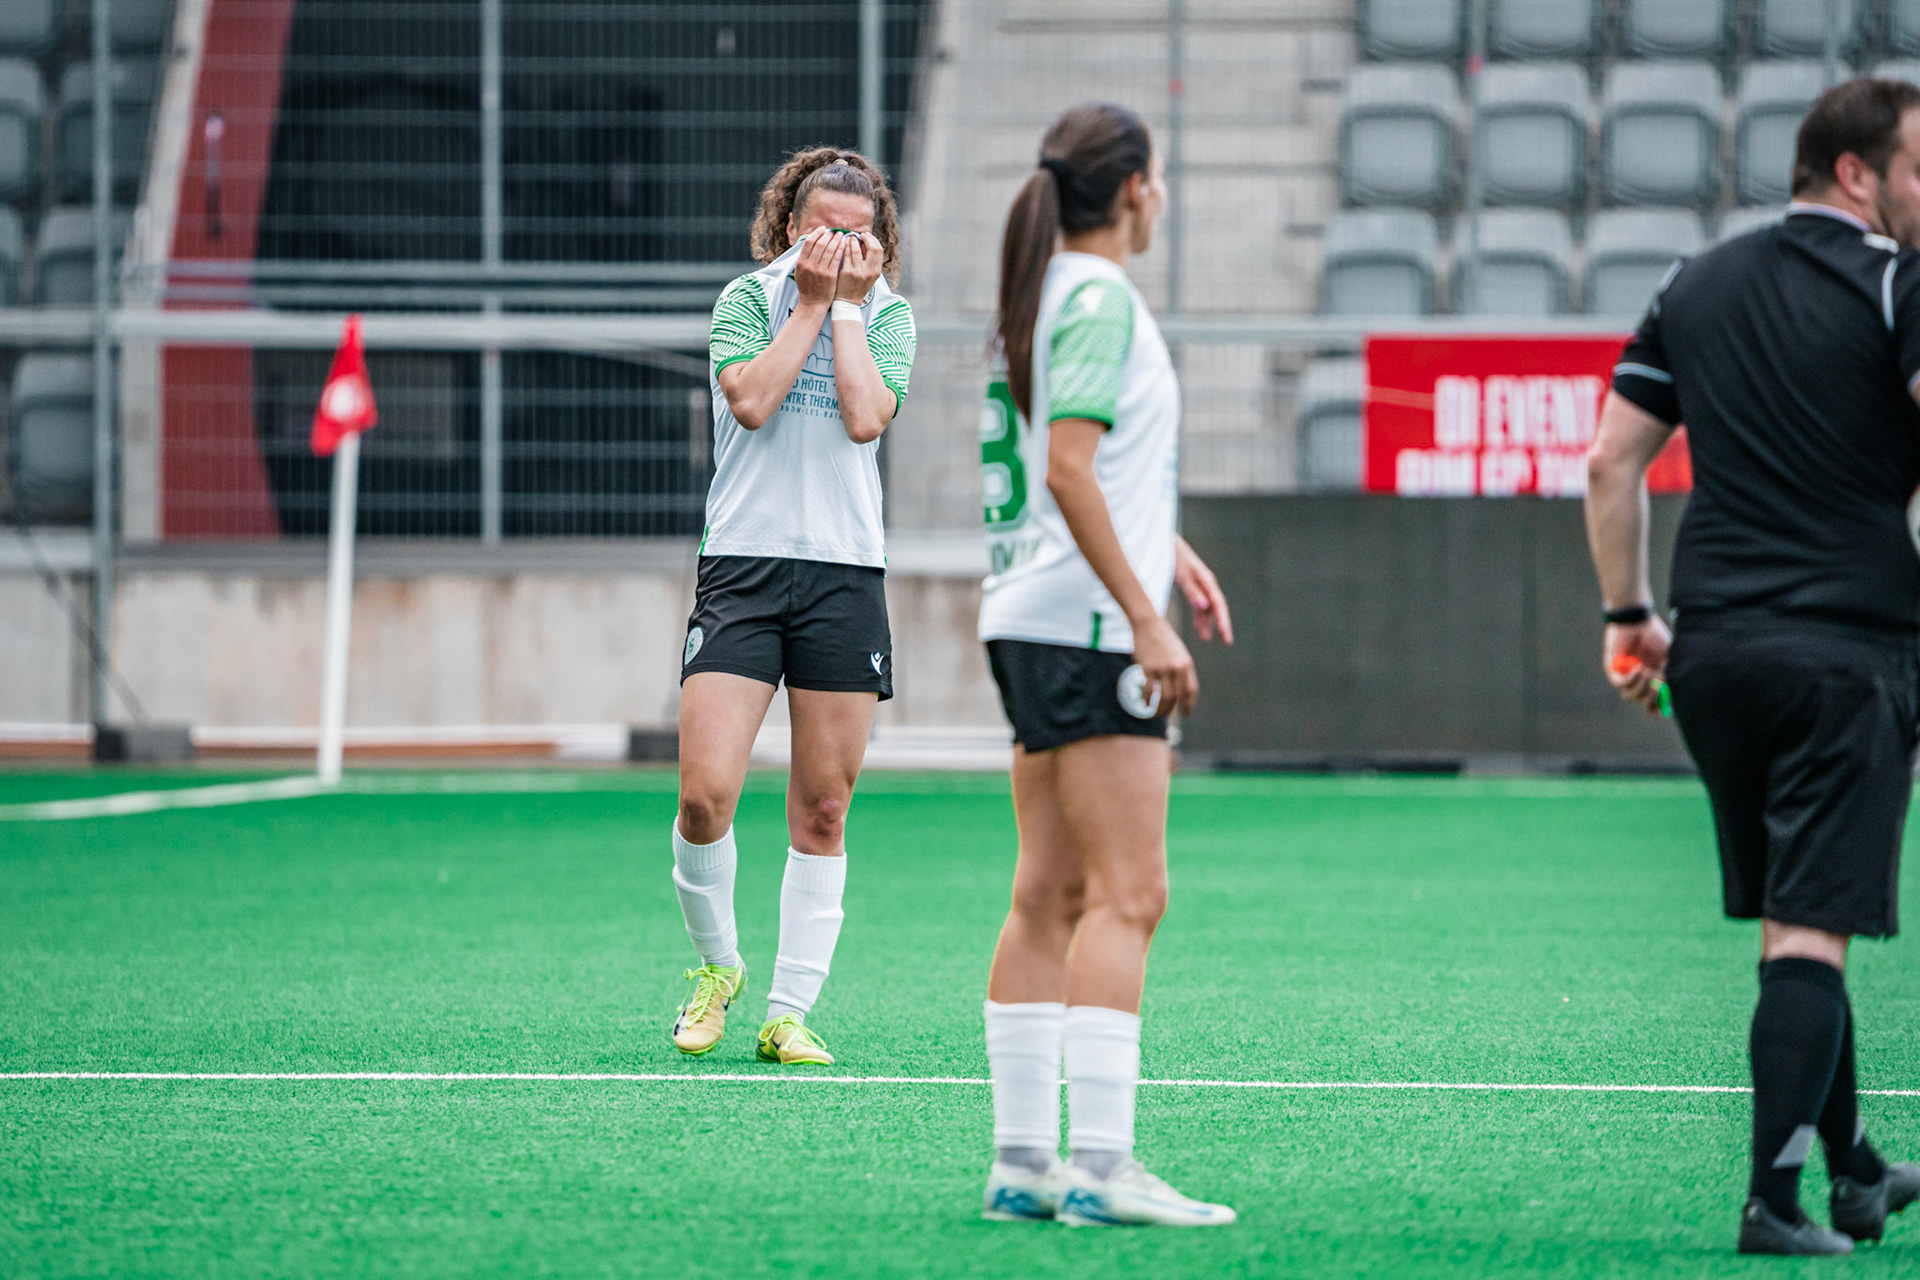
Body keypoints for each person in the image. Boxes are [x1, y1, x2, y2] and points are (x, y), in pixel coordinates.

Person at [1585, 78, 1920, 1256]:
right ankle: (1776, 1205)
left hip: (1713, 652)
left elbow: (1609, 465)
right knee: (1809, 933)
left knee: (1796, 916)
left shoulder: (1697, 281)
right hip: (1847, 655)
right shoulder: (1900, 283)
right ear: (1856, 175)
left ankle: (1857, 1168)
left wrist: (1630, 615)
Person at [975, 103, 1237, 1228]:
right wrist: (1145, 612)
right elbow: (1074, 470)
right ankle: (1101, 1164)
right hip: (1084, 625)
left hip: (1032, 612)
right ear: (1134, 187)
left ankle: (1025, 1161)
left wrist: (1163, 551)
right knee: (1130, 894)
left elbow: (1072, 465)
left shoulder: (1050, 296)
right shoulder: (1099, 298)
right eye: (1160, 174)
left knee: (1050, 892)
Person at [666, 147, 915, 1068]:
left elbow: (863, 417)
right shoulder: (745, 300)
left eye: (860, 234)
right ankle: (717, 968)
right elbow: (756, 401)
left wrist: (846, 308)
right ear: (790, 230)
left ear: (880, 242)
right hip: (743, 566)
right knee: (705, 795)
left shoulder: (890, 318)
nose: (843, 245)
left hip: (845, 574)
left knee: (823, 808)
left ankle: (787, 1010)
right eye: (825, 230)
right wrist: (810, 302)